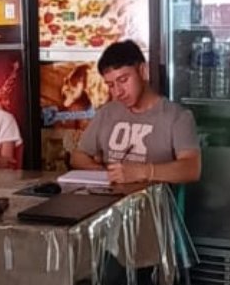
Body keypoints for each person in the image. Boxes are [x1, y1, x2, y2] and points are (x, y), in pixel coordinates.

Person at [71, 40, 201, 186]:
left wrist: (142, 172)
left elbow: (191, 169)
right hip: (109, 197)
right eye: (111, 85)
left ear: (143, 71)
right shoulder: (106, 112)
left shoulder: (177, 117)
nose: (118, 92)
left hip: (152, 198)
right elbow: (78, 156)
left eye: (123, 80)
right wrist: (105, 174)